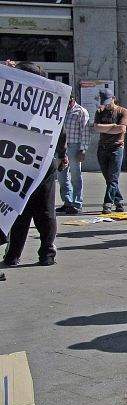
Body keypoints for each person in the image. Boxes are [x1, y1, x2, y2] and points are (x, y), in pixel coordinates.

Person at [3, 61, 66, 267]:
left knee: (19, 209)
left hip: (19, 161)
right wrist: (61, 155)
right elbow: (60, 133)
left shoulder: (13, 101)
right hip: (42, 162)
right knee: (45, 211)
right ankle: (46, 254)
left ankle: (13, 255)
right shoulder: (49, 103)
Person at [94, 89, 127, 213]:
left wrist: (106, 129)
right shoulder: (100, 112)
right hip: (102, 148)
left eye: (108, 102)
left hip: (116, 147)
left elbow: (122, 129)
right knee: (108, 178)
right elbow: (97, 128)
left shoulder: (122, 111)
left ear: (113, 98)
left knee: (113, 177)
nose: (106, 105)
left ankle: (108, 203)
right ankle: (119, 200)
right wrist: (113, 127)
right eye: (104, 102)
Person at [57, 94, 90, 215]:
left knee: (75, 175)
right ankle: (67, 201)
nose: (68, 102)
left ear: (74, 99)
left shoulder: (81, 111)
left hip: (74, 146)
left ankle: (77, 203)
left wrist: (83, 150)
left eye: (70, 99)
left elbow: (85, 131)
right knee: (61, 175)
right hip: (61, 147)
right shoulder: (60, 110)